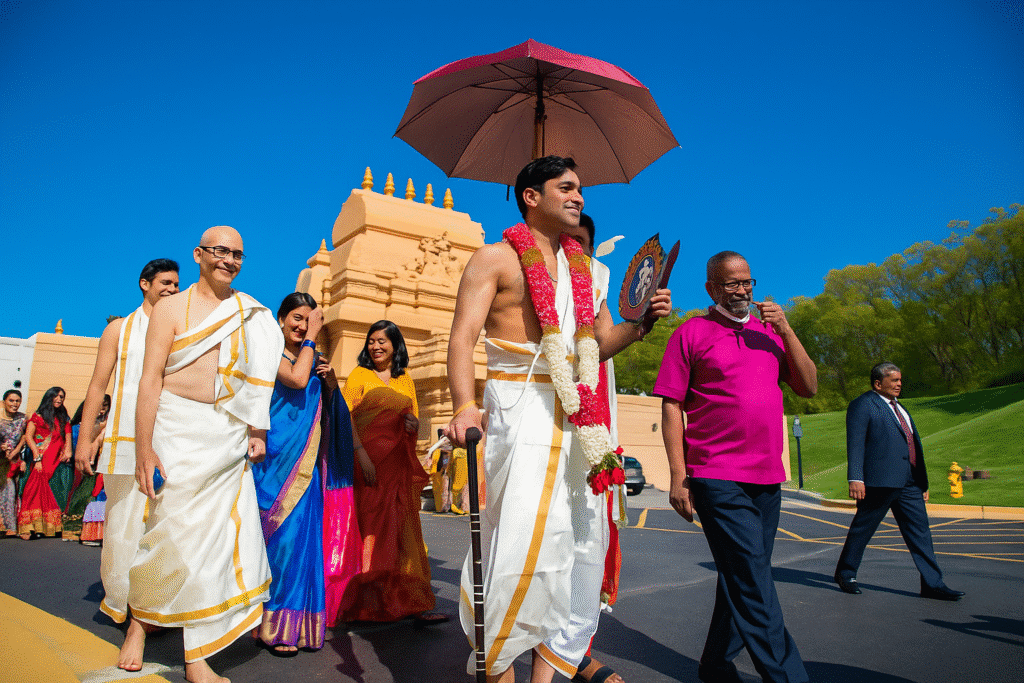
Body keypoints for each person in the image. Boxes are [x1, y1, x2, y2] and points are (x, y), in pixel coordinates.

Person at [445, 156, 671, 683]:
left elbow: (598, 342)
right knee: (520, 544)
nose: (579, 198)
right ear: (530, 195)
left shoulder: (589, 271)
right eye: (565, 188)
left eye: (581, 189)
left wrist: (641, 325)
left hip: (582, 422)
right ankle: (499, 670)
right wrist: (462, 404)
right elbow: (462, 337)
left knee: (579, 546)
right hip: (518, 408)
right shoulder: (494, 259)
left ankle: (547, 678)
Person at [653, 250, 817, 683]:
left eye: (747, 282)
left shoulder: (770, 333)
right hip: (716, 475)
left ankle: (714, 662)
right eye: (731, 283)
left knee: (744, 574)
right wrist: (677, 474)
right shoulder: (692, 333)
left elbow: (809, 386)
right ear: (711, 288)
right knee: (753, 581)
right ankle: (788, 677)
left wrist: (786, 328)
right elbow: (672, 406)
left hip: (767, 475)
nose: (742, 290)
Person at [129, 226, 282, 683]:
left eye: (237, 254)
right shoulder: (172, 308)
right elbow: (150, 379)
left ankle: (197, 658)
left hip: (225, 433)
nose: (229, 260)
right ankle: (139, 623)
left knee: (212, 546)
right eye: (220, 251)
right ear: (199, 254)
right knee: (165, 538)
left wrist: (256, 429)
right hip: (175, 430)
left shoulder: (249, 312)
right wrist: (144, 448)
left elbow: (259, 376)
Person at [73, 258, 179, 658]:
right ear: (144, 284)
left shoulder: (178, 327)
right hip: (123, 443)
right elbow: (98, 384)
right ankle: (125, 604)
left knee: (164, 529)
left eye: (176, 284)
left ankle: (154, 610)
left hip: (168, 443)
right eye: (165, 282)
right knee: (121, 530)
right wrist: (85, 441)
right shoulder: (120, 329)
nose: (171, 289)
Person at [251, 292, 360, 654]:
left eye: (307, 319)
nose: (301, 325)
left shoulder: (314, 360)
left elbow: (330, 410)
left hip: (307, 465)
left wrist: (330, 383)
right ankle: (265, 623)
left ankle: (292, 626)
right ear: (281, 320)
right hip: (274, 462)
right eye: (296, 318)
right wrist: (314, 334)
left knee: (302, 546)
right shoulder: (272, 354)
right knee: (276, 545)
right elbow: (295, 382)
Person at [338, 320, 447, 625]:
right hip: (368, 467)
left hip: (396, 467)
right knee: (369, 529)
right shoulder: (359, 375)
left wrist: (411, 426)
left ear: (395, 344)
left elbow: (411, 417)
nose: (375, 346)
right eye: (371, 341)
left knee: (400, 531)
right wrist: (362, 457)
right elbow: (345, 418)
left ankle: (405, 601)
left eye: (382, 341)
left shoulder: (405, 380)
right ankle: (366, 602)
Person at [834, 362, 965, 601]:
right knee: (863, 530)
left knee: (921, 533)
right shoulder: (863, 405)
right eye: (894, 380)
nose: (899, 384)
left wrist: (921, 482)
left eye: (900, 380)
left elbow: (912, 444)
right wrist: (856, 478)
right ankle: (846, 574)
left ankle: (932, 584)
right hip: (879, 482)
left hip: (909, 482)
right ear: (877, 383)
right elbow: (855, 443)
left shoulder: (900, 408)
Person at [18, 386, 72, 539]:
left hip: (57, 457)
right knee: (34, 486)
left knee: (48, 488)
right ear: (49, 397)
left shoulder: (63, 417)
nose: (59, 399)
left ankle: (47, 526)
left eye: (62, 396)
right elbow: (29, 437)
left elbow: (67, 435)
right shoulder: (38, 416)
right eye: (56, 396)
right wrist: (37, 457)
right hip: (41, 457)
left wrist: (68, 451)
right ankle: (29, 526)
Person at [63, 396, 110, 541]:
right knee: (83, 496)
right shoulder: (89, 425)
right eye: (100, 405)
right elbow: (93, 444)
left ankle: (96, 533)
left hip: (103, 465)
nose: (102, 409)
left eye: (105, 406)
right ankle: (75, 530)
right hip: (90, 464)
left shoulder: (108, 423)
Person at [1, 389, 28, 536]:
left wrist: (17, 453)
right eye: (11, 400)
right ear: (4, 401)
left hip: (14, 460)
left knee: (11, 491)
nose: (15, 404)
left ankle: (10, 526)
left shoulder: (23, 419)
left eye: (17, 401)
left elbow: (25, 438)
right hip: (1, 458)